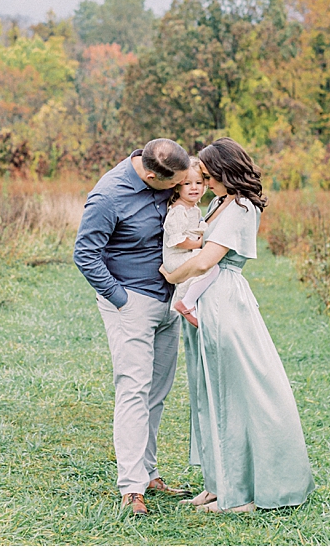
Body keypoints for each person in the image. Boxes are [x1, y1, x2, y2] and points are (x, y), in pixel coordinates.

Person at [160, 137, 315, 514]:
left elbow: (205, 261)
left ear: (226, 171)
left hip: (225, 300)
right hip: (206, 300)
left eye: (211, 176)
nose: (206, 182)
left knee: (236, 394)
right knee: (209, 393)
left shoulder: (242, 207)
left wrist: (170, 275)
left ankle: (245, 492)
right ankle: (219, 483)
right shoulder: (219, 203)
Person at [73, 138, 192, 517]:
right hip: (132, 302)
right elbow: (85, 254)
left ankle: (150, 473)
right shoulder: (109, 195)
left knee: (157, 391)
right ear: (151, 174)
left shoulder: (166, 177)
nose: (178, 188)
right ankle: (131, 488)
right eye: (171, 184)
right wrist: (122, 300)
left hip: (168, 300)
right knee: (133, 389)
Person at [161, 159, 220, 328]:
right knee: (212, 266)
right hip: (176, 257)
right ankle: (187, 302)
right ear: (178, 187)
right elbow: (177, 241)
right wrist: (198, 245)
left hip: (184, 255)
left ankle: (190, 300)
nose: (194, 187)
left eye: (199, 183)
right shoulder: (178, 210)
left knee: (208, 265)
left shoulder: (193, 209)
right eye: (187, 183)